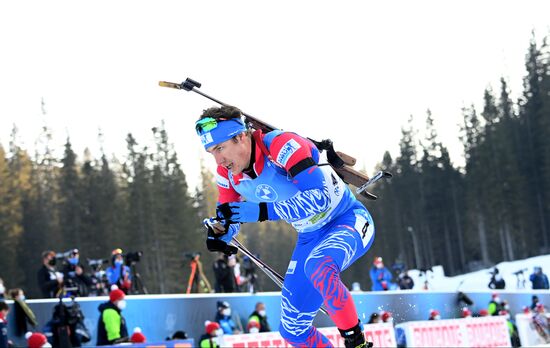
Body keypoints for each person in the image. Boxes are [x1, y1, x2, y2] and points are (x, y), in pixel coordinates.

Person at [196, 106, 376, 348]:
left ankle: (357, 342)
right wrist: (221, 232)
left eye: (220, 148)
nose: (218, 160)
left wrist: (262, 211)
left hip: (346, 219)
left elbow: (319, 198)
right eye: (211, 152)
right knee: (292, 330)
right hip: (309, 236)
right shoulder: (227, 173)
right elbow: (229, 214)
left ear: (240, 137)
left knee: (320, 266)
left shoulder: (283, 145)